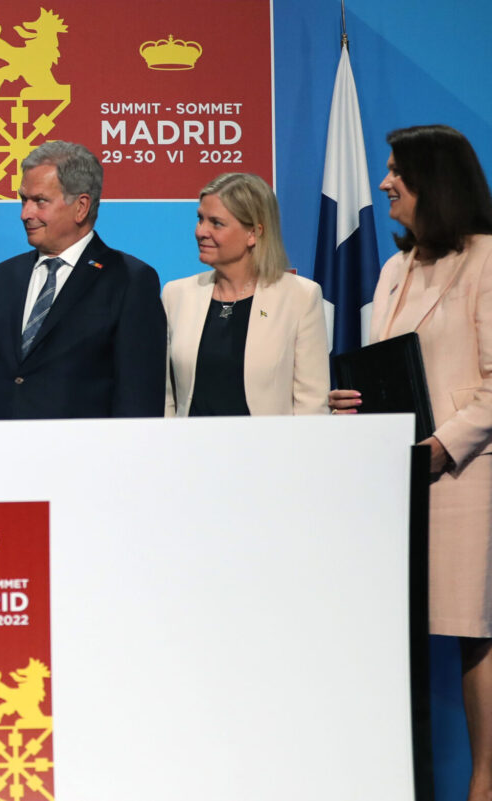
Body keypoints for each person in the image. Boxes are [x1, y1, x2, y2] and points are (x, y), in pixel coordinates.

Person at [330, 124, 492, 801]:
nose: (384, 182)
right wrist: (353, 405)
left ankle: (484, 782)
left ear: (436, 182)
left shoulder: (486, 260)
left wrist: (439, 445)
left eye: (397, 171)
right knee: (393, 627)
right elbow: (388, 367)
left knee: (473, 631)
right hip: (392, 481)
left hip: (464, 475)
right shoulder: (395, 267)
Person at [0, 140, 166, 419]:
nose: (25, 214)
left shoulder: (129, 280)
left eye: (39, 201)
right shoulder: (2, 276)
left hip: (82, 456)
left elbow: (137, 397)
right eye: (24, 200)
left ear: (81, 207)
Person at [162, 173, 329, 416]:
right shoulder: (176, 295)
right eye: (200, 219)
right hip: (192, 450)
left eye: (216, 223)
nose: (201, 231)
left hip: (267, 451)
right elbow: (166, 397)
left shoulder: (300, 297)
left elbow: (311, 405)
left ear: (254, 233)